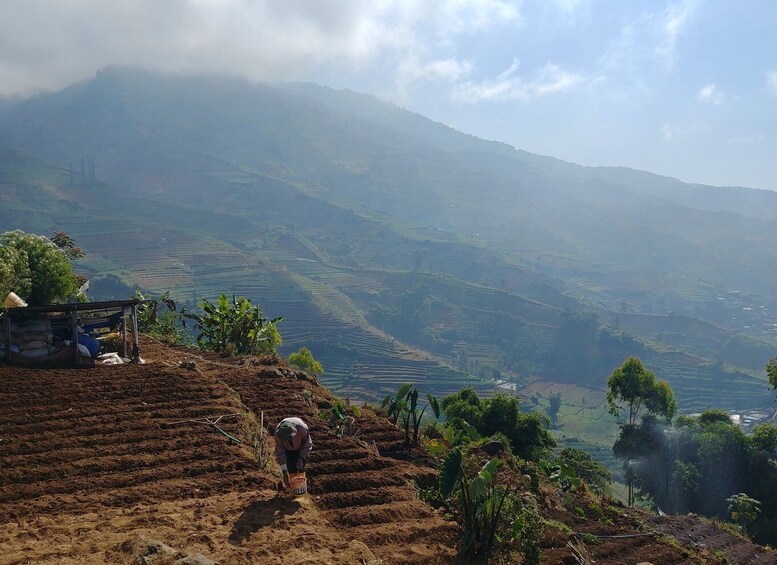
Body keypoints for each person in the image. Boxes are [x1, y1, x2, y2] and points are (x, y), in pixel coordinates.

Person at [274, 417, 313, 488]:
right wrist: (285, 474)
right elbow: (280, 453)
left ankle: (302, 490)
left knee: (300, 468)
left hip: (300, 447)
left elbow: (307, 445)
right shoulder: (278, 434)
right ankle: (294, 491)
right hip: (288, 450)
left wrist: (301, 458)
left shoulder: (302, 429)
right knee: (291, 468)